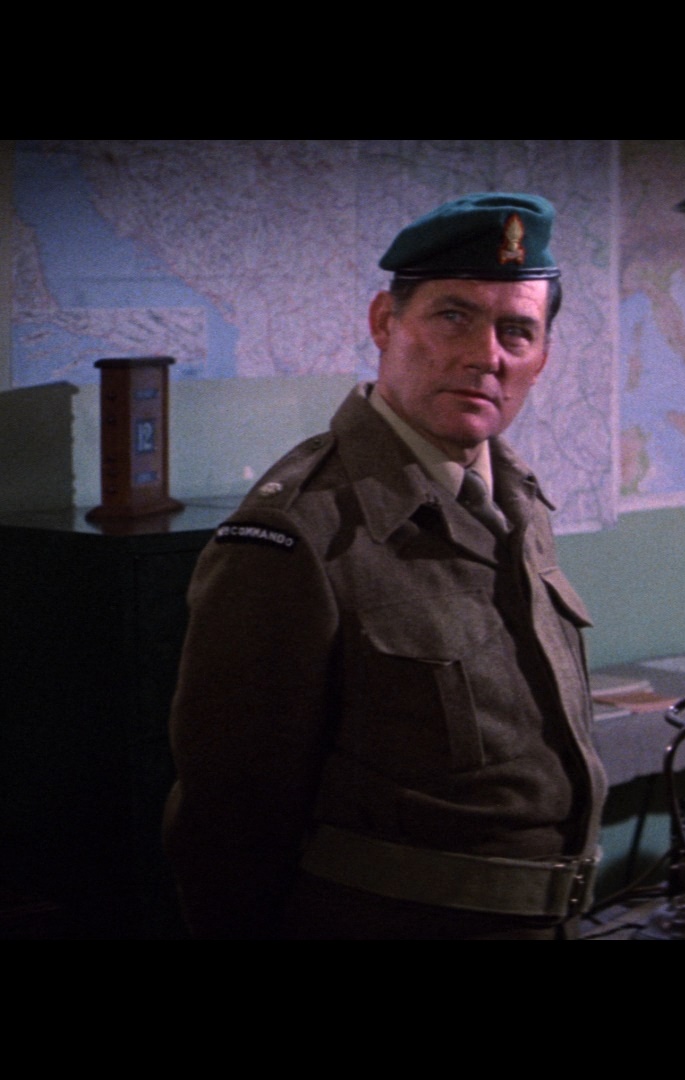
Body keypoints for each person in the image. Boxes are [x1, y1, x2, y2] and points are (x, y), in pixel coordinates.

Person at [164, 192, 607, 938]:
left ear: (542, 357)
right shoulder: (298, 532)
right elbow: (227, 826)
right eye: (453, 316)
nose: (485, 355)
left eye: (516, 331)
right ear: (384, 322)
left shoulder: (515, 499)